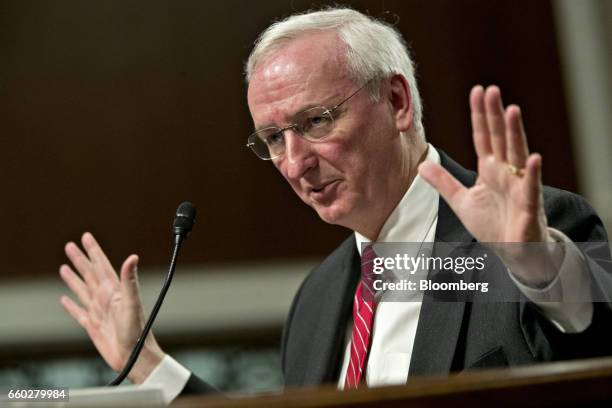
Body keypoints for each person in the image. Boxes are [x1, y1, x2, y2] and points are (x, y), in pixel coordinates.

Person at [59, 7, 612, 404]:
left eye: (316, 121)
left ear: (396, 102)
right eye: (274, 138)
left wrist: (533, 264)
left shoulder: (526, 240)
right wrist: (149, 364)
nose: (295, 163)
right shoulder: (317, 301)